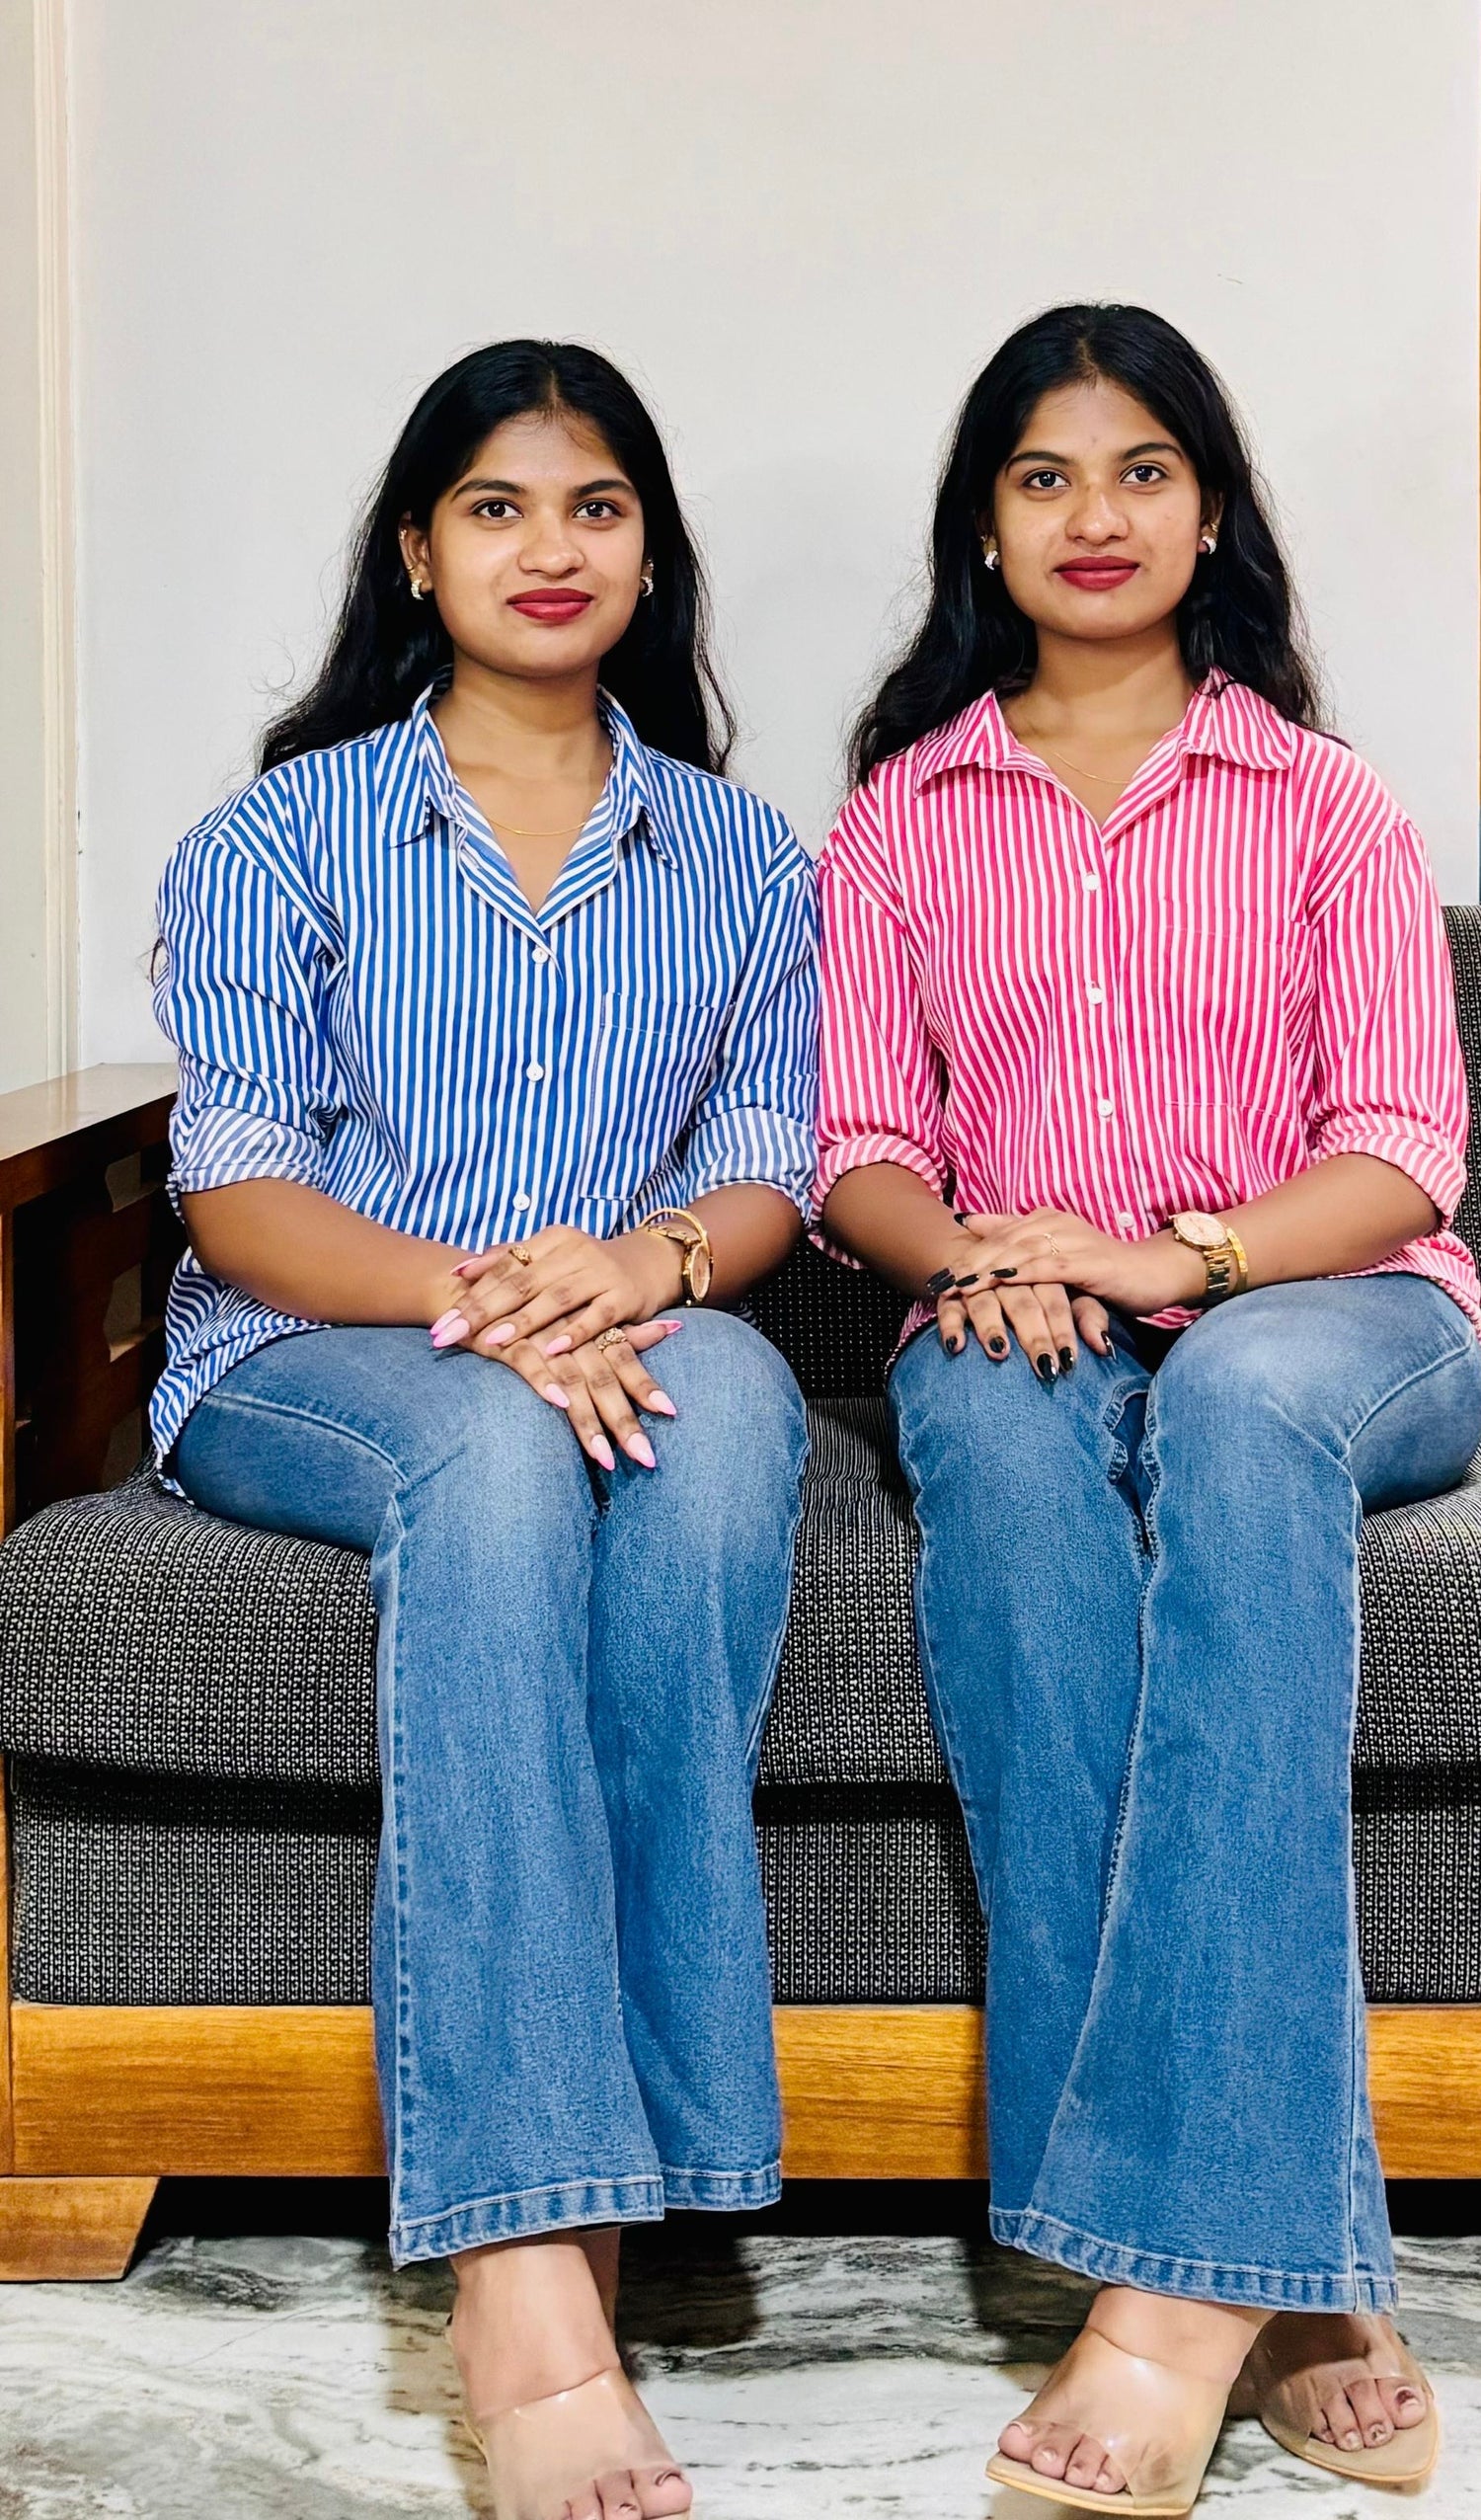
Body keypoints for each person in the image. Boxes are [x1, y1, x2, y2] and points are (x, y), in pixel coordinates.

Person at [817, 301, 1473, 2512]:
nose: (1093, 515)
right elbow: (858, 1148)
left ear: (1209, 513)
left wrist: (1181, 1256)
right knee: (999, 1445)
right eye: (1043, 475)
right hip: (1021, 1313)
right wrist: (976, 1257)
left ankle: (1167, 2299)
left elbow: (1406, 1149)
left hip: (1330, 1312)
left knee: (1242, 1411)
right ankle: (1297, 2277)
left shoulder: (1325, 804)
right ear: (984, 529)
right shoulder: (901, 820)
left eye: (1140, 469)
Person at [151, 339, 817, 2520]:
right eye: (499, 506)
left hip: (642, 1319)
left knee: (719, 1433)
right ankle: (527, 2261)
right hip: (323, 1354)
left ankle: (629, 2173)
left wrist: (637, 1266)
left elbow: (772, 1166)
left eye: (597, 505)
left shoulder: (739, 854)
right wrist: (487, 1305)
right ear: (417, 554)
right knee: (499, 1452)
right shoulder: (283, 834)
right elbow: (240, 1195)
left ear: (653, 554)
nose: (552, 547)